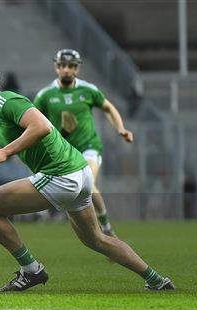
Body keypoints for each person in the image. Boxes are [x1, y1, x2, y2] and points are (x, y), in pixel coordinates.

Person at [0, 60, 173, 292]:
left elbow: (41, 126)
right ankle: (156, 280)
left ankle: (31, 270)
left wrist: (4, 152)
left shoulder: (7, 101)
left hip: (61, 175)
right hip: (79, 173)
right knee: (95, 239)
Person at [34, 49, 134, 237]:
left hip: (89, 147)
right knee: (77, 191)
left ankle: (105, 227)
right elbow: (33, 121)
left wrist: (120, 128)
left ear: (77, 69)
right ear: (56, 67)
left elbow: (108, 107)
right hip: (63, 153)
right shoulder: (45, 96)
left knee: (87, 182)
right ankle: (92, 230)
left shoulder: (87, 90)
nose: (66, 70)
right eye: (62, 65)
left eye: (71, 66)